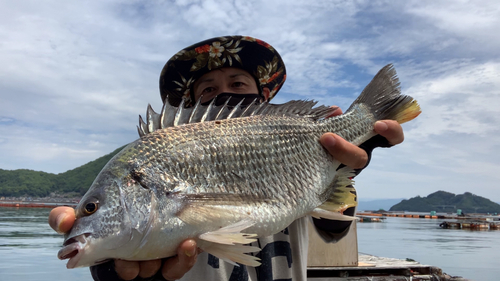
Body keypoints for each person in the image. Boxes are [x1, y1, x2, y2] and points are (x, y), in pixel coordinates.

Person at [49, 35, 404, 281]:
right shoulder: (152, 156)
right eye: (208, 89)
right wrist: (113, 263)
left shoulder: (290, 139)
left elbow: (334, 225)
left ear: (264, 100)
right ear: (190, 106)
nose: (224, 96)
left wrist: (346, 163)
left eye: (238, 85)